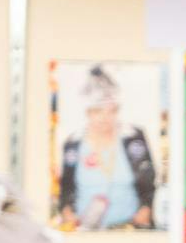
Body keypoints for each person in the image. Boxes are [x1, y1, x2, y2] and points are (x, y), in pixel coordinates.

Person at [56, 65, 156, 231]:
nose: (105, 117)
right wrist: (67, 213)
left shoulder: (133, 138)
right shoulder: (73, 144)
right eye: (98, 111)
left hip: (130, 231)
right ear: (88, 112)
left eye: (111, 111)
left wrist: (145, 210)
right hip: (86, 232)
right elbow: (66, 187)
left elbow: (149, 181)